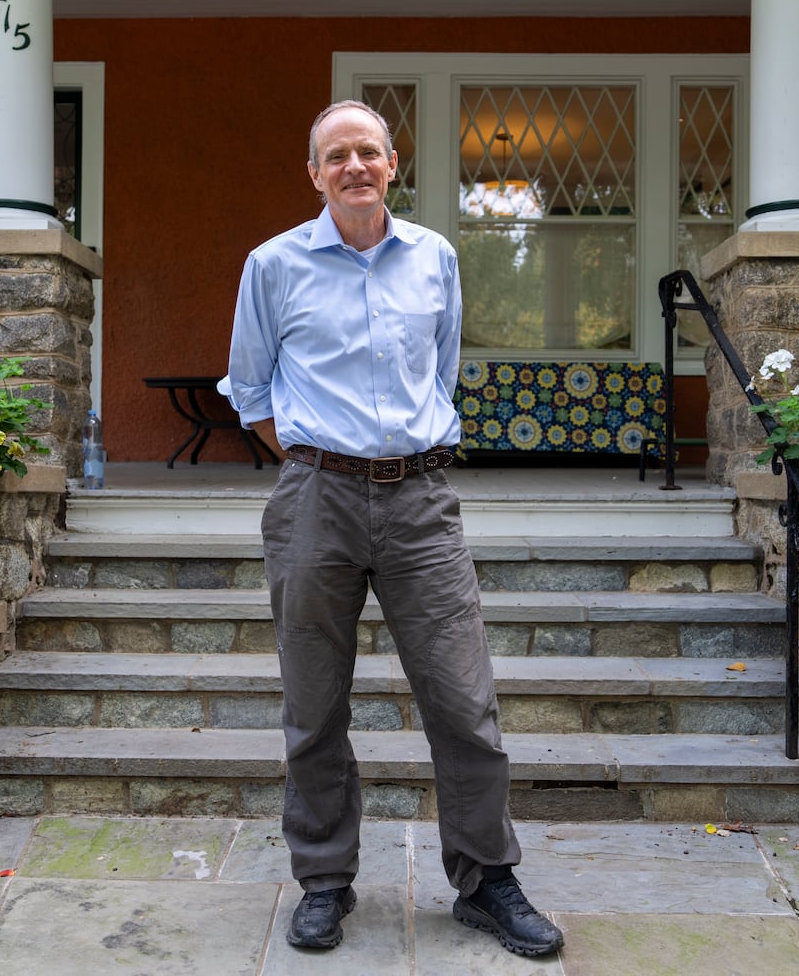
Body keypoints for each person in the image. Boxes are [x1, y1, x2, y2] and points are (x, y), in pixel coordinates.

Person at [223, 99, 564, 957]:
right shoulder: (272, 265)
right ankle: (325, 880)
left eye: (367, 152)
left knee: (464, 700)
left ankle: (487, 877)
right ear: (314, 173)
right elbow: (252, 391)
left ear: (391, 163)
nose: (354, 167)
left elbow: (440, 373)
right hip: (315, 498)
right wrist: (314, 463)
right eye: (335, 154)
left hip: (420, 501)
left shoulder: (435, 259)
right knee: (314, 704)